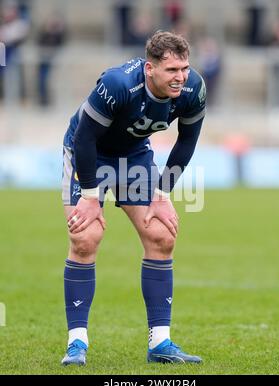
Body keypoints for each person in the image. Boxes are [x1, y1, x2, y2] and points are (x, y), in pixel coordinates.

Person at [61, 30, 206, 366]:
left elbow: (186, 142)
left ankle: (160, 342)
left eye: (184, 68)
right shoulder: (117, 85)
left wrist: (161, 194)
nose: (180, 77)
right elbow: (84, 138)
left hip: (134, 157)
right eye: (172, 70)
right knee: (86, 236)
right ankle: (77, 344)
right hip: (88, 154)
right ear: (149, 69)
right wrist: (90, 196)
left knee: (160, 234)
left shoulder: (193, 89)